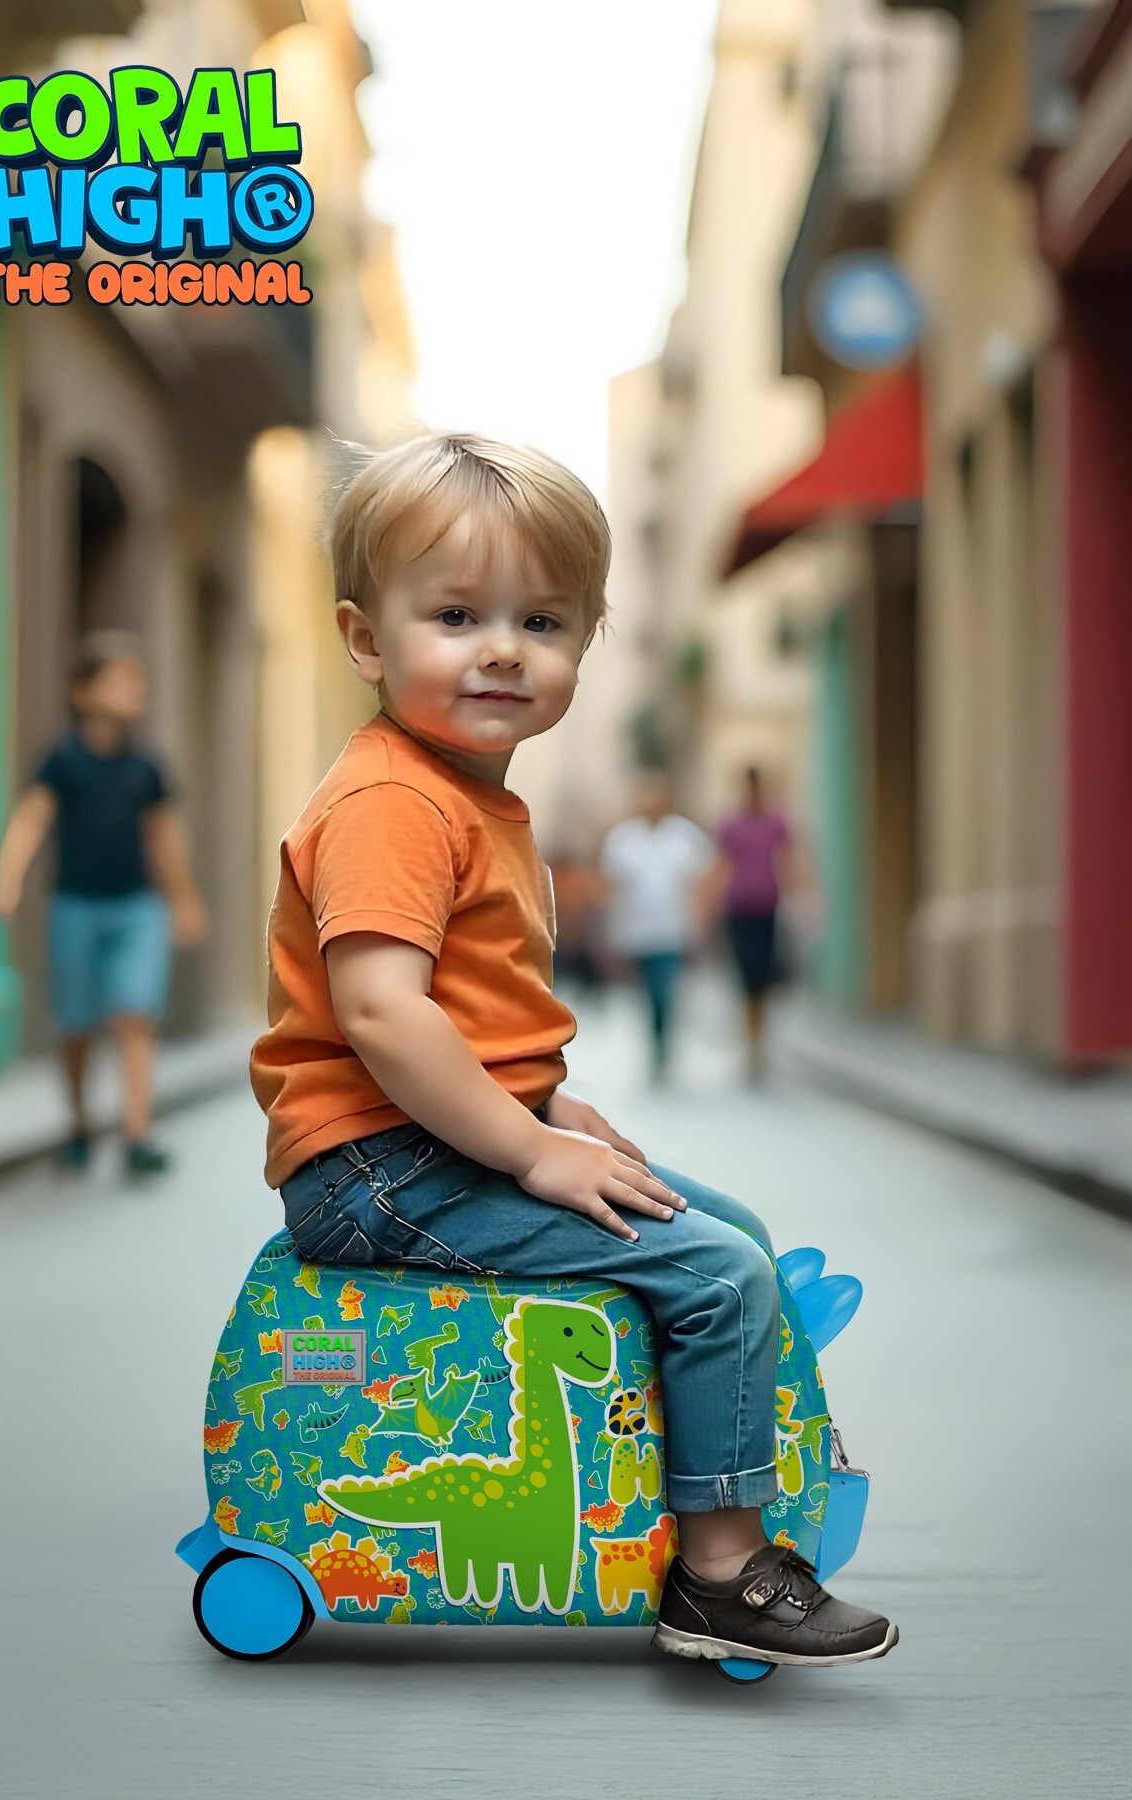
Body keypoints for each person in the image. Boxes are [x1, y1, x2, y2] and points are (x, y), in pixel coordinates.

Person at [250, 434, 896, 1671]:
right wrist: (530, 1151)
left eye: (540, 621)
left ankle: (693, 1463)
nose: (502, 648)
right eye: (455, 615)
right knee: (718, 1276)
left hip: (428, 1145)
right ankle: (720, 1571)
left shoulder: (468, 795)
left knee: (735, 1233)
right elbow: (382, 1013)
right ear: (366, 640)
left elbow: (471, 1013)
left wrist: (548, 1107)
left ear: (585, 646)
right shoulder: (393, 802)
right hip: (381, 1166)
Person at [0, 630, 207, 1176]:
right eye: (120, 680)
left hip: (137, 909)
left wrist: (183, 900)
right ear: (83, 692)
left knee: (135, 1017)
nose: (134, 690)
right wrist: (8, 878)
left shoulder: (146, 768)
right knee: (78, 1023)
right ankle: (80, 1123)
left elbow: (163, 839)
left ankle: (137, 1134)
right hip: (75, 908)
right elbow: (31, 819)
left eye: (138, 681)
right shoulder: (62, 761)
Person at [599, 774, 715, 1080]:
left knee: (665, 990)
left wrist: (701, 925)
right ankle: (655, 1042)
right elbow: (611, 887)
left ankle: (664, 1045)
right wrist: (610, 930)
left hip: (673, 930)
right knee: (648, 993)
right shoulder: (623, 838)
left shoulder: (685, 836)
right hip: (637, 931)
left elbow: (702, 884)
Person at [715, 767, 792, 1082]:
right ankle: (750, 1045)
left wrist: (806, 896)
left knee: (763, 978)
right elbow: (720, 865)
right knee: (746, 978)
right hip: (738, 909)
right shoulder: (730, 825)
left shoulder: (776, 822)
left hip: (767, 908)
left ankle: (759, 1044)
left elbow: (791, 859)